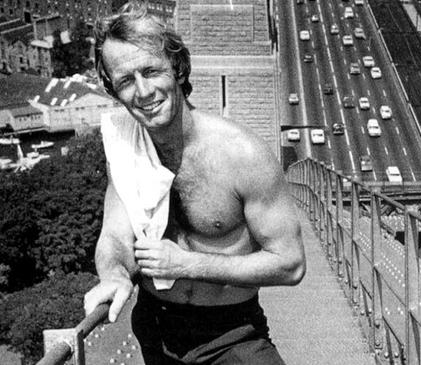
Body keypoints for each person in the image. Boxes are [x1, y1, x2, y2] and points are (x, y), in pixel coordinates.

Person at [83, 2, 306, 364]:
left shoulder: (242, 154)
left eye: (151, 71)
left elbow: (291, 263)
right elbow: (114, 237)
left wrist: (187, 265)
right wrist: (114, 274)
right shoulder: (126, 149)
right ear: (113, 89)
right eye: (125, 80)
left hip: (231, 336)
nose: (143, 92)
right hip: (155, 328)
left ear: (177, 67)